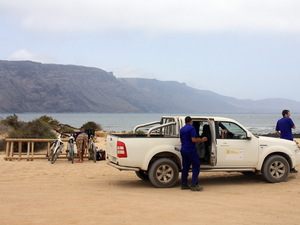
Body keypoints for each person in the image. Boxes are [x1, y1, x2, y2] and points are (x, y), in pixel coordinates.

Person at [180, 116, 207, 191]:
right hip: (191, 150)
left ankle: (184, 184)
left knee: (185, 168)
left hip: (184, 149)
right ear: (191, 121)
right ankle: (194, 184)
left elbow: (181, 140)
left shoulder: (182, 129)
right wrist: (202, 139)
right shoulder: (191, 128)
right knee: (196, 166)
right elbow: (193, 139)